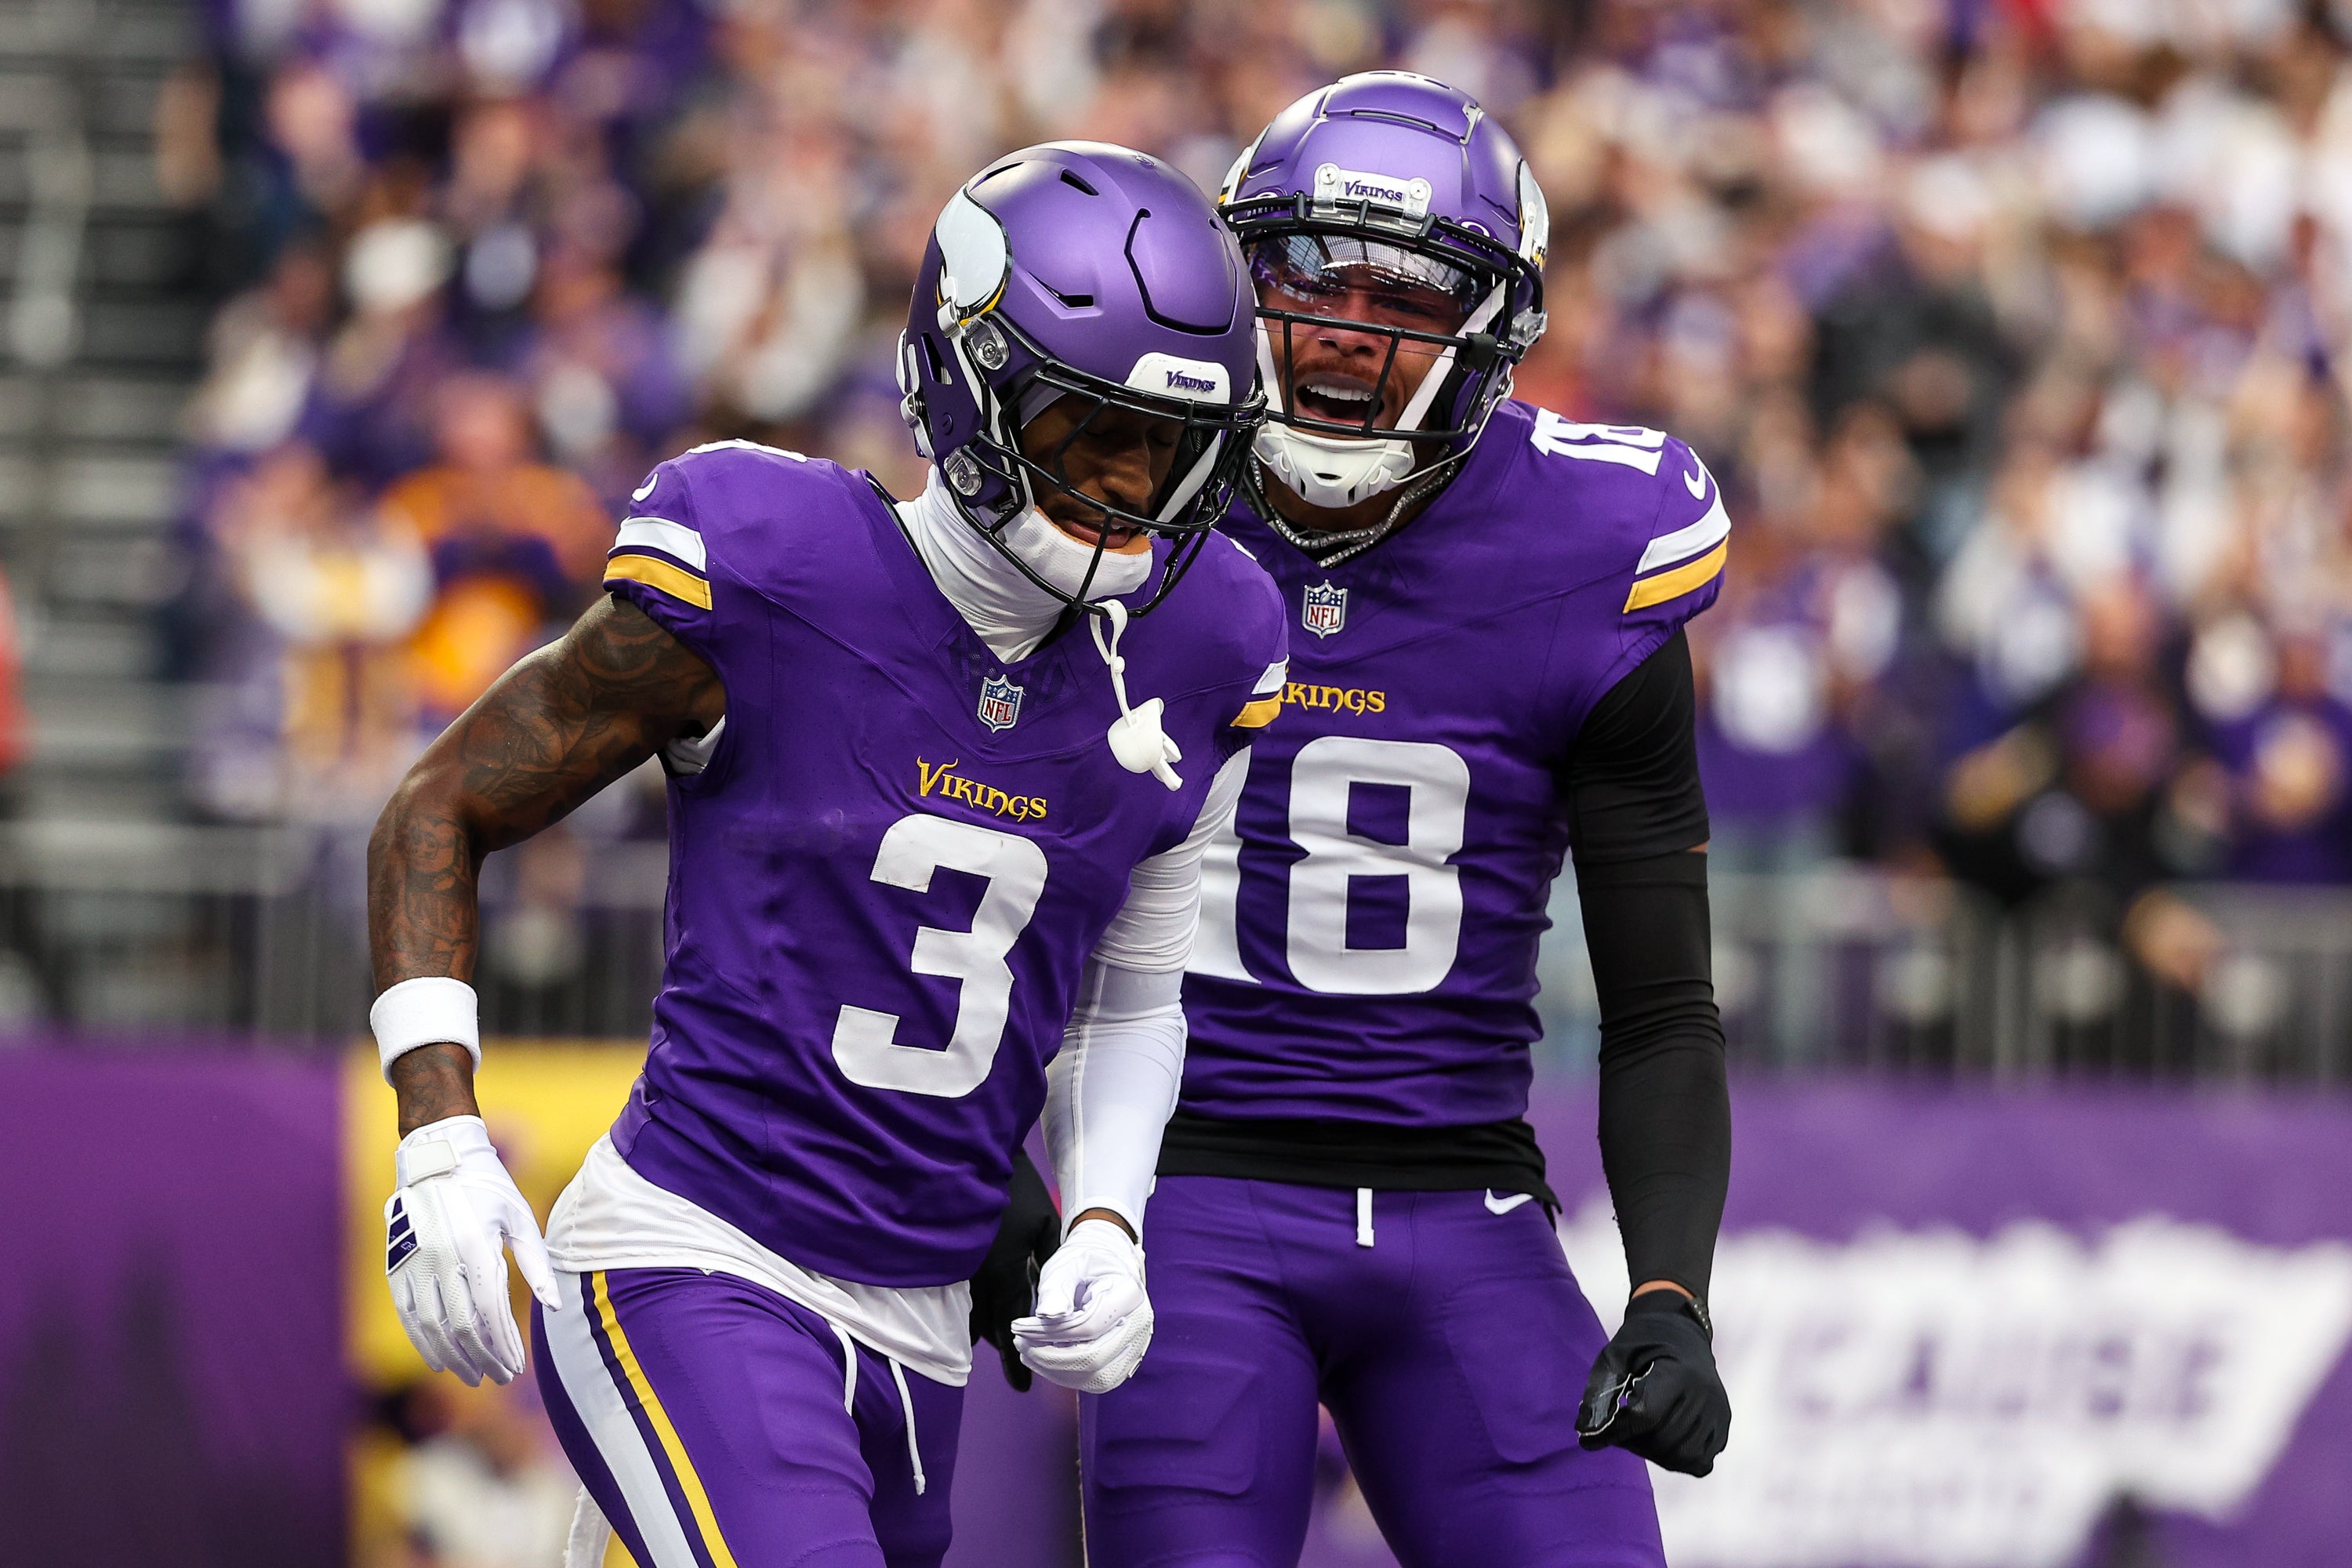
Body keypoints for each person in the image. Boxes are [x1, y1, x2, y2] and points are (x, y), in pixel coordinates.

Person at [366, 141, 1289, 1568]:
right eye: (1087, 427)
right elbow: (440, 804)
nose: (1130, 480)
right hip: (695, 1253)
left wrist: (1105, 1212)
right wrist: (436, 1131)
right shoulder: (773, 562)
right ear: (971, 386)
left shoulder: (1207, 639)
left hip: (922, 1325)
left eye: (1169, 446)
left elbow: (1134, 990)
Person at [1080, 74, 1733, 1568]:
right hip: (1181, 1186)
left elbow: (1662, 1008)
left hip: (1466, 1194)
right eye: (1309, 278)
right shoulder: (1123, 483)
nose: (1346, 332)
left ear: (1491, 335)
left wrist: (1670, 1294)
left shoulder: (1592, 545)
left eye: (1404, 296)